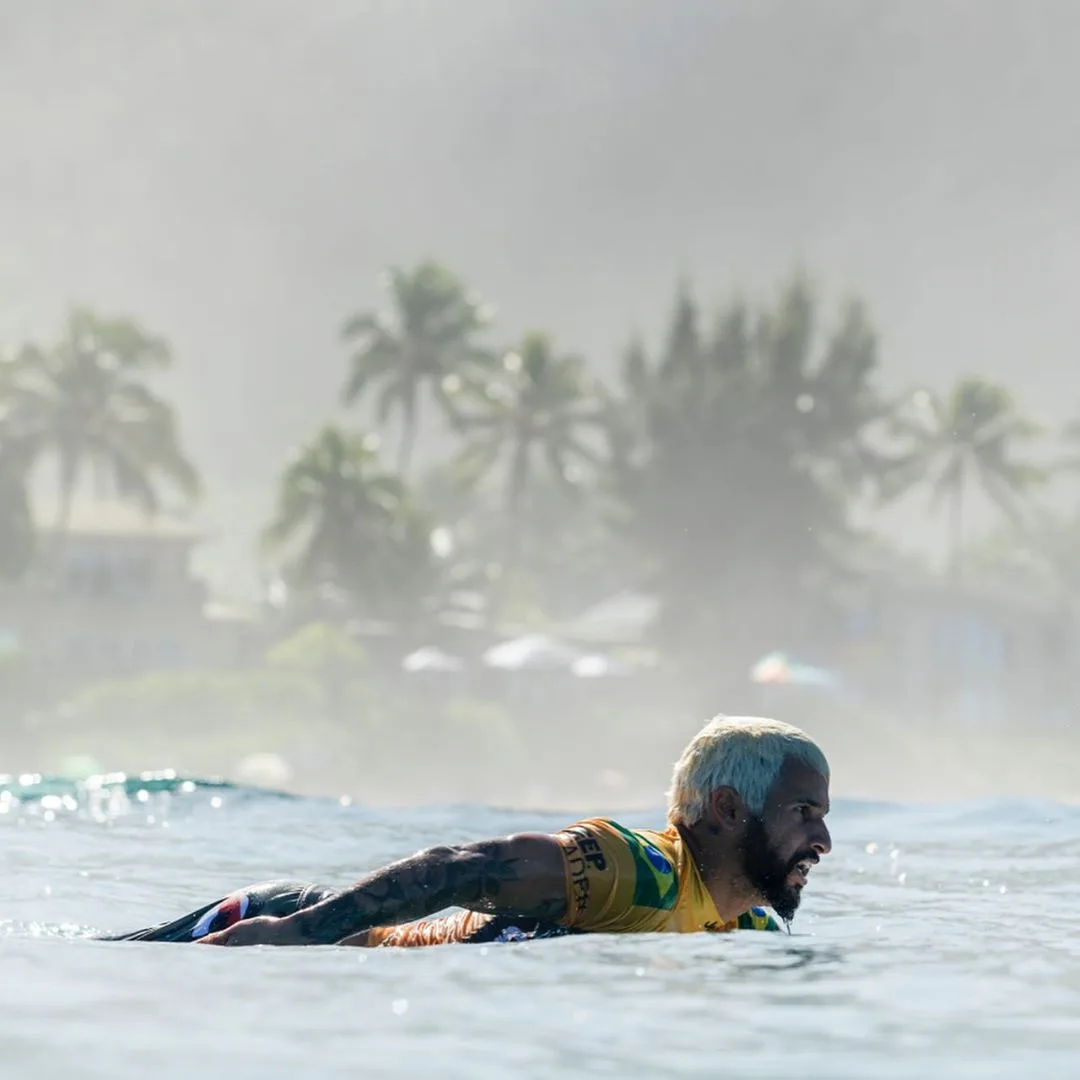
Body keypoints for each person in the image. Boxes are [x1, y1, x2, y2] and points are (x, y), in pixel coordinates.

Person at [101, 716, 831, 948]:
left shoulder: (746, 937)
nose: (823, 842)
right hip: (284, 930)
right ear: (730, 810)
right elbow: (462, 865)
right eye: (806, 814)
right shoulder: (638, 871)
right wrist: (292, 938)